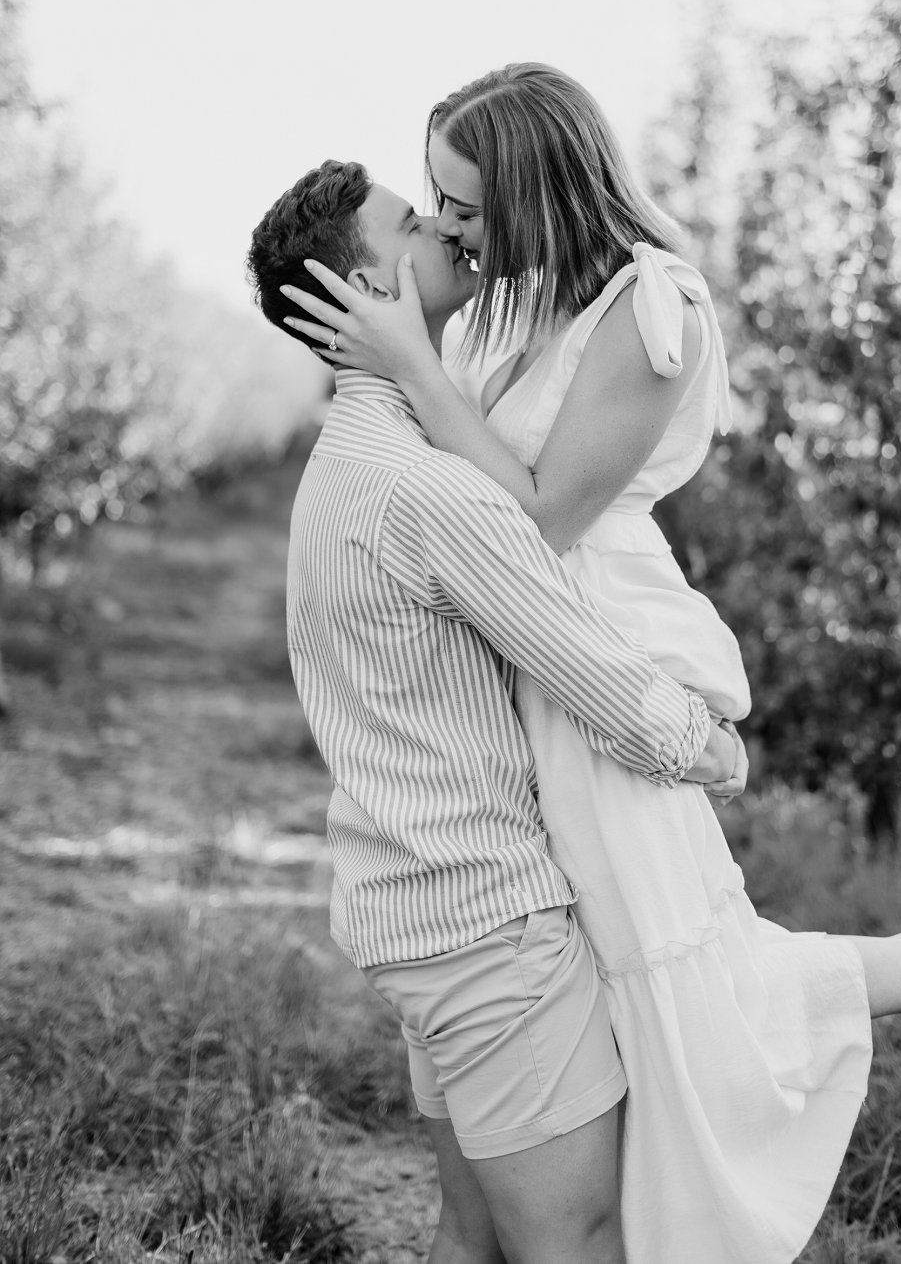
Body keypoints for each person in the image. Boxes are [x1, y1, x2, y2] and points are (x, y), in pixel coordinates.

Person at [282, 65, 901, 1264]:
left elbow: (537, 518)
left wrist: (412, 366)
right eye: (435, 205)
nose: (455, 228)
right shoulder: (517, 302)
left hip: (588, 641)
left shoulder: (649, 305)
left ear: (536, 190)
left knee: (681, 977)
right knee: (626, 993)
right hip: (529, 660)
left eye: (466, 204)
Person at [246, 158, 749, 1264]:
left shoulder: (345, 465)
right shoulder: (427, 487)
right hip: (488, 930)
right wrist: (708, 748)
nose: (442, 228)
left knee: (471, 1239)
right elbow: (582, 661)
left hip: (413, 905)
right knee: (576, 1240)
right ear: (365, 295)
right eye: (411, 223)